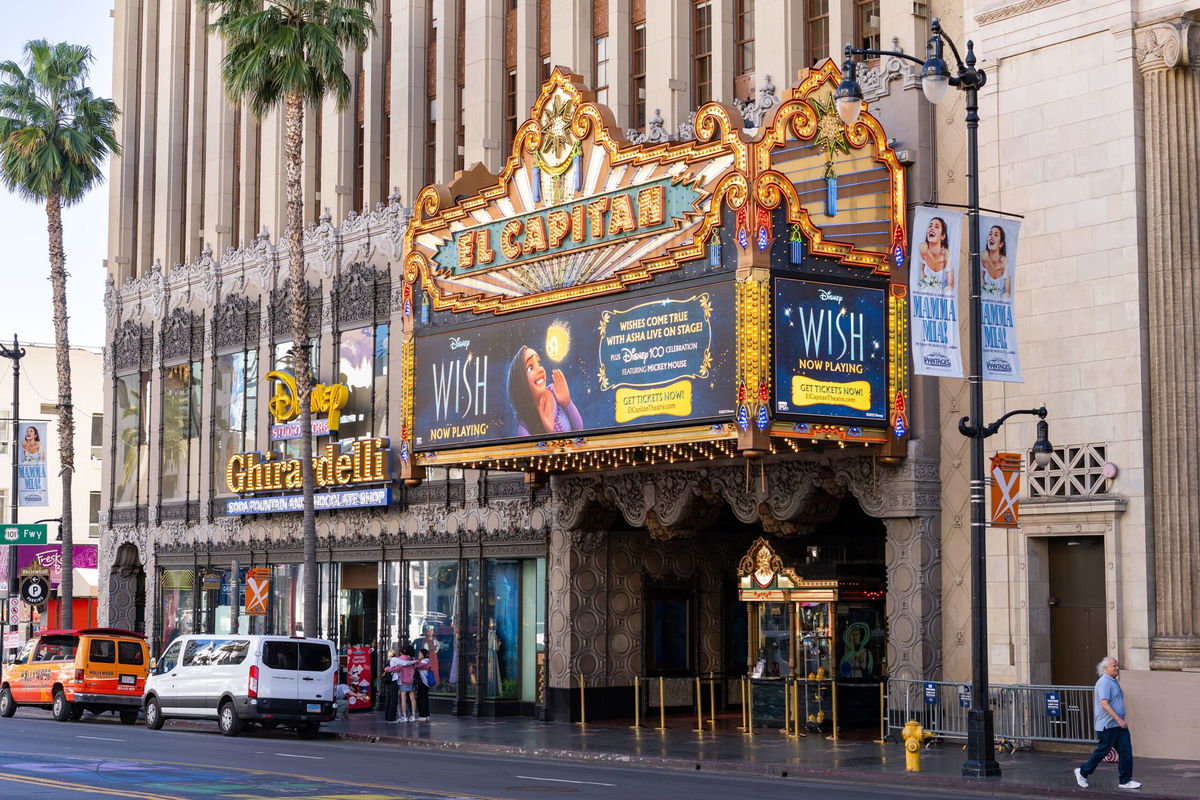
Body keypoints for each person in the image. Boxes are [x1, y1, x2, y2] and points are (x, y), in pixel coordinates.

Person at [1074, 656, 1140, 790]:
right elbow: (1104, 704)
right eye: (1114, 666)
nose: (1117, 668)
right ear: (1105, 668)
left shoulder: (1113, 681)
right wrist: (1119, 719)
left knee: (1126, 750)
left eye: (1117, 665)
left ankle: (1125, 780)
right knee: (1102, 751)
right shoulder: (1104, 682)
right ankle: (1082, 772)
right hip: (1108, 725)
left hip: (1117, 725)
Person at [507, 345, 582, 436]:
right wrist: (549, 433)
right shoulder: (524, 429)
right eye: (530, 367)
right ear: (520, 380)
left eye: (539, 363)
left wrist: (567, 402)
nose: (540, 370)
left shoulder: (555, 391)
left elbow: (579, 431)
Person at [917, 216, 954, 292]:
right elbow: (922, 271)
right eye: (930, 226)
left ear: (943, 236)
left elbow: (950, 285)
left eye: (936, 227)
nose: (932, 228)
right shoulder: (923, 248)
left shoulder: (947, 256)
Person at [385, 645, 419, 722]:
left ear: (401, 652)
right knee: (412, 698)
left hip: (403, 681)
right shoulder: (412, 659)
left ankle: (404, 717)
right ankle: (413, 716)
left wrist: (387, 669)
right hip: (412, 680)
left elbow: (397, 668)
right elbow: (416, 666)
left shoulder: (399, 659)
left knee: (403, 699)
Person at [981, 224, 1010, 297]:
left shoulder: (1005, 263)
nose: (991, 236)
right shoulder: (982, 257)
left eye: (996, 235)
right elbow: (981, 285)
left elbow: (1008, 293)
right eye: (990, 234)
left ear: (1001, 244)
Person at [381, 648, 400, 722]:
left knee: (388, 699)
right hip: (393, 682)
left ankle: (387, 716)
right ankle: (392, 718)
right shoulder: (394, 661)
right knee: (393, 700)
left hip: (388, 682)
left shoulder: (388, 662)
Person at [413, 648, 432, 721]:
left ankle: (423, 715)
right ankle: (426, 715)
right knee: (424, 699)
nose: (418, 654)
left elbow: (416, 666)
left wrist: (415, 661)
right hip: (424, 683)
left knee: (422, 699)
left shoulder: (425, 662)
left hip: (423, 683)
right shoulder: (426, 661)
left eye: (420, 653)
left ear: (423, 654)